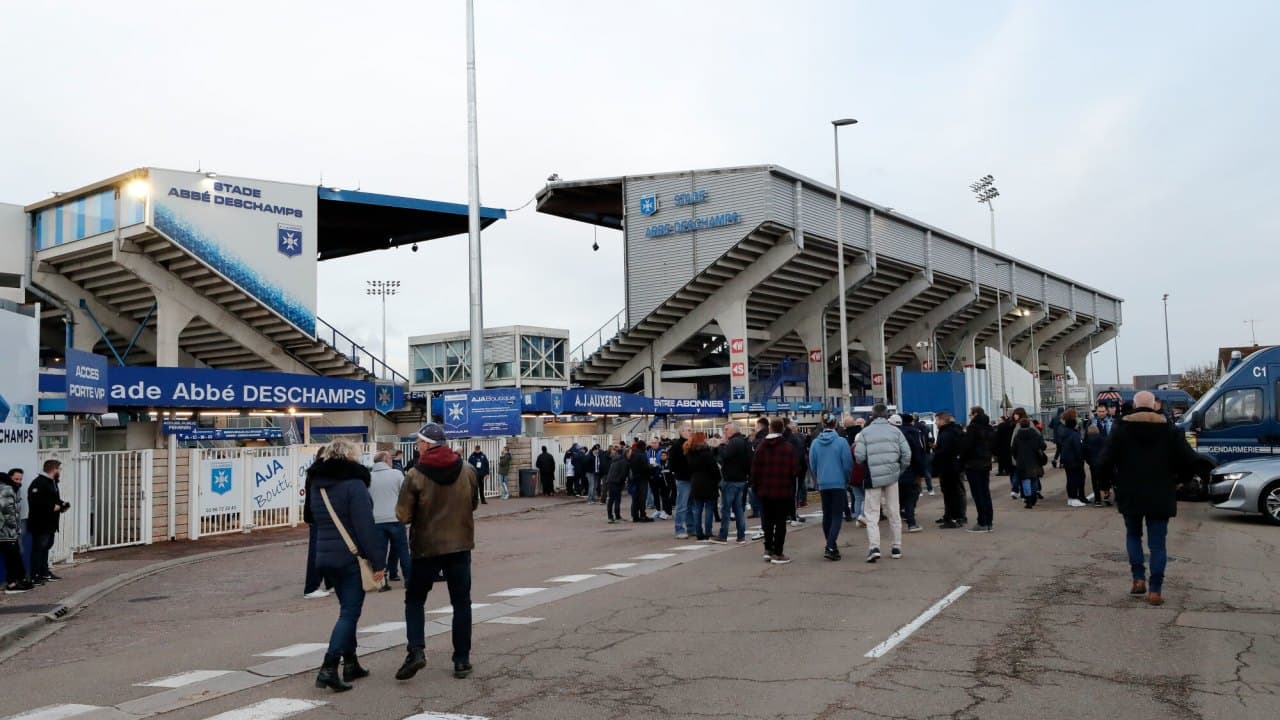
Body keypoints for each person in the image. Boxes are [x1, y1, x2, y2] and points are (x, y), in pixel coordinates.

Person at [396, 422, 480, 680]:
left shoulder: (415, 474)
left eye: (419, 443)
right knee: (461, 602)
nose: (418, 447)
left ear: (425, 444)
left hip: (426, 546)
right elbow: (473, 504)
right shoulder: (467, 470)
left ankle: (417, 650)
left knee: (415, 599)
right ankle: (462, 660)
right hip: (459, 544)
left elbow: (403, 515)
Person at [1099, 391, 1199, 606]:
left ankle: (1138, 579)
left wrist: (1110, 483)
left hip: (1130, 491)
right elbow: (1191, 460)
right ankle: (1155, 590)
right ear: (1154, 405)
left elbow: (1104, 461)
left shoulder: (1121, 429)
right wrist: (1180, 479)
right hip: (1161, 492)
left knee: (1133, 536)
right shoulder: (1170, 430)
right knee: (1158, 545)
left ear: (1134, 405)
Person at [308, 439, 384, 692]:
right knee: (350, 613)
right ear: (352, 457)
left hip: (324, 556)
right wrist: (378, 561)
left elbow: (310, 517)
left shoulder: (317, 485)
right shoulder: (355, 486)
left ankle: (351, 663)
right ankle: (329, 667)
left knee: (345, 609)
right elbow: (365, 527)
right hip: (350, 557)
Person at [854, 405, 911, 562]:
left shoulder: (865, 432)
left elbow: (859, 456)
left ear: (872, 416)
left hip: (873, 477)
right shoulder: (895, 431)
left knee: (872, 514)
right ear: (887, 415)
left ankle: (874, 547)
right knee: (894, 512)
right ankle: (896, 546)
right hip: (892, 476)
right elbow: (907, 454)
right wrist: (899, 470)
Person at [751, 418, 797, 564]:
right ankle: (778, 552)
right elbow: (795, 470)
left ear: (770, 429)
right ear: (782, 429)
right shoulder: (787, 448)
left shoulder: (760, 447)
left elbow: (754, 470)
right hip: (782, 490)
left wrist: (756, 487)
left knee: (767, 521)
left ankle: (768, 549)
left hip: (764, 490)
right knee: (780, 522)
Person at [810, 416, 852, 561]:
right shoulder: (841, 442)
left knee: (827, 515)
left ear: (822, 424)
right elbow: (847, 464)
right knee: (836, 516)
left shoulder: (815, 443)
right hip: (838, 482)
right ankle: (830, 546)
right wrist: (847, 479)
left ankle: (831, 544)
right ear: (836, 424)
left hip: (823, 482)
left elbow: (812, 464)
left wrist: (818, 479)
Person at [369, 451, 410, 589]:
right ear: (386, 460)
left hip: (376, 519)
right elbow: (405, 494)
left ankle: (382, 582)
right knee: (403, 549)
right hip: (395, 517)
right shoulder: (397, 474)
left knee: (380, 552)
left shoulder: (369, 477)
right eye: (390, 459)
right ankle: (409, 579)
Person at [26, 459, 69, 584]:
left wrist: (62, 504)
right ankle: (35, 575)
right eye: (59, 469)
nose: (60, 472)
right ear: (53, 469)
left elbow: (54, 499)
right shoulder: (39, 483)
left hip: (50, 523)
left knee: (46, 547)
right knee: (38, 548)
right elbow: (36, 501)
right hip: (40, 523)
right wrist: (52, 507)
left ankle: (44, 572)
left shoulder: (52, 482)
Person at [958, 408, 996, 532]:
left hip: (973, 464)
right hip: (985, 463)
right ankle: (989, 521)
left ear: (975, 414)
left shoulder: (973, 428)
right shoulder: (989, 428)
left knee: (977, 494)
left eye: (970, 414)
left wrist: (961, 460)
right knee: (985, 492)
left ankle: (982, 522)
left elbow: (966, 446)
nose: (969, 417)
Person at [302, 450, 332, 599]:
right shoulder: (320, 473)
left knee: (325, 549)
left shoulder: (314, 472)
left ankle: (330, 582)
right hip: (319, 517)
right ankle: (311, 586)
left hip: (315, 516)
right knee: (317, 551)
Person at [717, 421, 751, 544]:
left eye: (726, 429)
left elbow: (725, 456)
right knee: (738, 509)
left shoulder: (734, 442)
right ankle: (741, 535)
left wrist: (721, 445)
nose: (724, 432)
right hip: (741, 479)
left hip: (731, 480)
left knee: (726, 509)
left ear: (733, 430)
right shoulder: (745, 441)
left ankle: (723, 535)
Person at [933, 412, 968, 528]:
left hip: (949, 467)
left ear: (943, 420)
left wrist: (936, 454)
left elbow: (946, 452)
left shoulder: (948, 433)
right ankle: (951, 515)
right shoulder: (952, 431)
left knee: (952, 493)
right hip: (953, 467)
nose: (936, 422)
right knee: (953, 492)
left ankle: (955, 518)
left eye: (937, 420)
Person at [894, 414, 926, 533]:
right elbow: (918, 453)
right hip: (910, 469)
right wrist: (921, 471)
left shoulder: (894, 433)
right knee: (910, 496)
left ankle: (897, 522)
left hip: (894, 470)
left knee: (896, 497)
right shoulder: (914, 433)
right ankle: (911, 522)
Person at [2, 470, 33, 593]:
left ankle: (17, 581)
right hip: (7, 532)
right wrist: (14, 528)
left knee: (13, 556)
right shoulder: (7, 490)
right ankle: (12, 584)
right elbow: (8, 512)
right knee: (12, 557)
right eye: (16, 479)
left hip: (5, 531)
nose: (19, 482)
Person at [686, 433, 721, 541]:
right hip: (709, 483)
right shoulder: (707, 454)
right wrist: (718, 479)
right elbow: (714, 469)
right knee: (709, 509)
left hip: (696, 483)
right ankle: (708, 532)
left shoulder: (690, 454)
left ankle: (699, 532)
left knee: (697, 509)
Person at [1012, 415, 1047, 509]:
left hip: (1022, 461)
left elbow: (1013, 450)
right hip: (1034, 460)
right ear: (1029, 424)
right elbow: (1043, 446)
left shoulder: (1017, 436)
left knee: (1025, 480)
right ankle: (1034, 496)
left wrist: (1017, 458)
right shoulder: (1035, 434)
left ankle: (1028, 500)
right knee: (1034, 479)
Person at [1083, 405, 1113, 507]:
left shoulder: (1110, 422)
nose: (1101, 413)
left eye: (1103, 411)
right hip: (1094, 455)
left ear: (1106, 411)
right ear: (1096, 412)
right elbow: (1086, 438)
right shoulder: (1091, 422)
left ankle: (1107, 495)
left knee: (1107, 477)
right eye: (1099, 411)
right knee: (1095, 478)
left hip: (1108, 455)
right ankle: (1097, 499)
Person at [668, 427, 693, 538]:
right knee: (682, 505)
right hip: (683, 479)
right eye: (688, 430)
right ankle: (679, 529)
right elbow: (672, 464)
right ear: (682, 432)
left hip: (692, 478)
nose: (690, 432)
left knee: (691, 505)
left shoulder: (692, 444)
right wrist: (681, 470)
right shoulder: (676, 446)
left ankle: (691, 527)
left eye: (691, 430)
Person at [782, 417, 807, 525]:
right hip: (793, 471)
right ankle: (792, 515)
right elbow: (800, 455)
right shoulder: (792, 438)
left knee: (790, 494)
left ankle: (790, 515)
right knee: (792, 494)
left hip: (788, 471)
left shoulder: (787, 438)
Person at [1059, 416, 1088, 507]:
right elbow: (1077, 448)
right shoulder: (1074, 434)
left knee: (1070, 479)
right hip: (1074, 460)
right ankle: (1075, 498)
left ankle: (1071, 498)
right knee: (1077, 479)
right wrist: (1081, 458)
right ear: (1074, 424)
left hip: (1067, 460)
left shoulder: (1064, 433)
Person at [628, 440, 653, 522]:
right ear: (643, 446)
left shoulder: (633, 454)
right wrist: (651, 468)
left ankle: (634, 515)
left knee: (635, 497)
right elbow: (645, 467)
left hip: (634, 478)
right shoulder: (642, 454)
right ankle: (643, 515)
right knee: (642, 497)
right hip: (642, 478)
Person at [604, 445, 628, 523]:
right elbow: (623, 473)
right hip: (616, 482)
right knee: (617, 500)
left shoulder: (614, 460)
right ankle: (617, 517)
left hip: (610, 482)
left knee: (611, 499)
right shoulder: (622, 460)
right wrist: (622, 481)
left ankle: (610, 516)